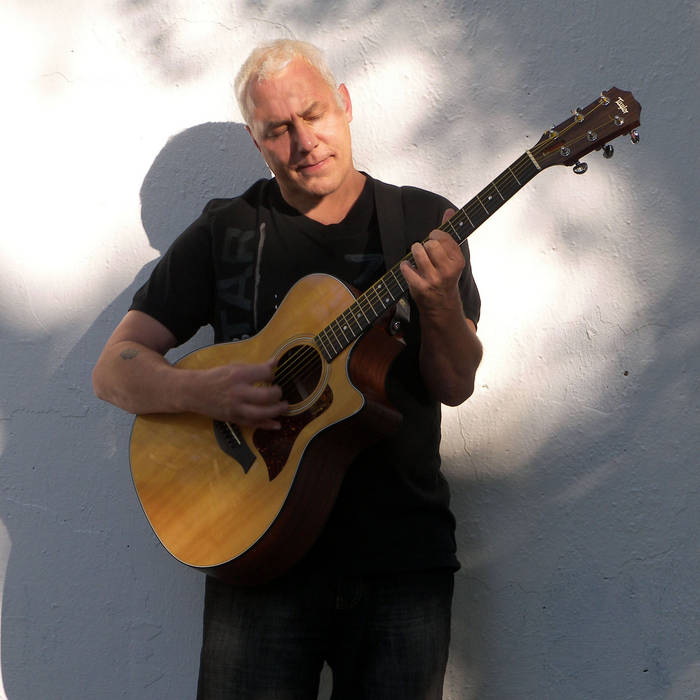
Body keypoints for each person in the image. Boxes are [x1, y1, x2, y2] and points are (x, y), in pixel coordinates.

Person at [93, 38, 483, 699]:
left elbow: (456, 385)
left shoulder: (421, 223)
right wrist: (203, 392)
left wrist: (441, 301)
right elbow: (113, 369)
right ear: (257, 142)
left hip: (402, 560)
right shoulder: (226, 231)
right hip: (255, 560)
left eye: (313, 114)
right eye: (277, 129)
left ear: (345, 105)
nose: (304, 142)